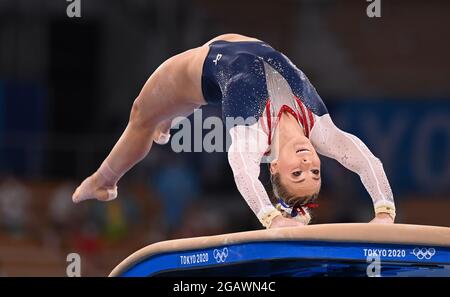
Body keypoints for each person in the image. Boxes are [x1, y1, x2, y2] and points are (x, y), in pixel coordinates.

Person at [72, 33, 396, 229]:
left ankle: (103, 181)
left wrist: (271, 217)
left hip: (199, 72)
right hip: (242, 49)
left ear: (274, 167)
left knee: (141, 115)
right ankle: (174, 113)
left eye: (297, 174)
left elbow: (242, 173)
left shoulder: (254, 135)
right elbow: (368, 161)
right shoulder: (321, 129)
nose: (307, 162)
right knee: (162, 117)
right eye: (314, 171)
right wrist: (384, 211)